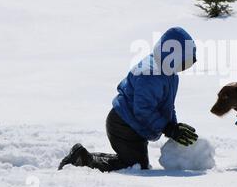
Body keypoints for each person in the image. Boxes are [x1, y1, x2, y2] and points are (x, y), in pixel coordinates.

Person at [58, 27, 199, 172]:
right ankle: (82, 160)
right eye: (185, 62)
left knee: (132, 162)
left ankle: (82, 156)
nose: (185, 67)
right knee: (134, 166)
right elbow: (143, 110)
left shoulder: (169, 74)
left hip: (134, 126)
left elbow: (167, 105)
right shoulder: (150, 74)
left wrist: (174, 128)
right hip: (124, 125)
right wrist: (169, 129)